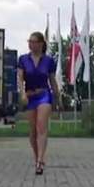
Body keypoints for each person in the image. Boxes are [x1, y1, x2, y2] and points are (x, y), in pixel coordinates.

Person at [17, 31, 60, 175]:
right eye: (29, 41)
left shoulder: (48, 61)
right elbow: (20, 78)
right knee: (33, 131)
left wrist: (57, 97)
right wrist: (22, 93)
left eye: (34, 42)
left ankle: (40, 160)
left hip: (44, 95)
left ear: (41, 44)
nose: (31, 44)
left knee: (41, 127)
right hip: (30, 96)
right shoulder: (23, 59)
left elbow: (52, 81)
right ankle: (37, 157)